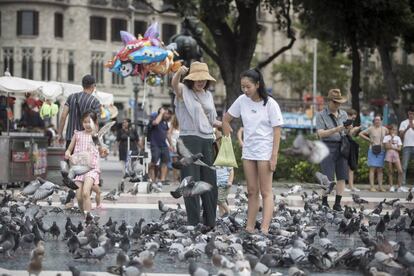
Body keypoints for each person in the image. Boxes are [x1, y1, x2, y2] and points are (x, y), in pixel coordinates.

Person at [223, 68, 283, 234]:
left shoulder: (270, 103)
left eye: (248, 86)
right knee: (251, 191)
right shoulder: (242, 100)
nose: (245, 90)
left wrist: (274, 156)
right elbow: (226, 119)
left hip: (265, 151)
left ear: (257, 84)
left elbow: (277, 131)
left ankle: (264, 228)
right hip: (248, 152)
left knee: (266, 191)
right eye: (243, 87)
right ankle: (249, 227)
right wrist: (227, 138)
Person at [171, 61, 221, 229]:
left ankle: (210, 222)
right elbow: (174, 84)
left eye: (204, 79)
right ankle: (193, 222)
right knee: (190, 182)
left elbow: (213, 120)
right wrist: (179, 72)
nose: (201, 82)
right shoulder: (183, 91)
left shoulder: (208, 95)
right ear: (191, 79)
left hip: (207, 139)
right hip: (189, 140)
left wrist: (227, 124)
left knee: (209, 183)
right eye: (198, 79)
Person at [65, 111, 107, 216]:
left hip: (92, 168)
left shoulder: (96, 137)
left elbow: (102, 152)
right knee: (78, 197)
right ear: (82, 122)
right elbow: (69, 150)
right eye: (85, 122)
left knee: (85, 193)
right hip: (79, 168)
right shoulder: (77, 135)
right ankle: (84, 214)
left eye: (90, 122)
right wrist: (68, 154)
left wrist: (104, 152)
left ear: (95, 122)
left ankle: (88, 218)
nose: (87, 124)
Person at [316, 89, 351, 211]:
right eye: (335, 102)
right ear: (329, 101)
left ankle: (337, 204)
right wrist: (338, 128)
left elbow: (346, 132)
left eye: (339, 102)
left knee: (342, 176)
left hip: (342, 146)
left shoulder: (344, 114)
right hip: (326, 146)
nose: (338, 105)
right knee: (327, 177)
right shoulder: (320, 115)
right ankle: (324, 202)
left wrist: (349, 129)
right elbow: (320, 134)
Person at [57, 75, 101, 150]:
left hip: (70, 138)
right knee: (85, 161)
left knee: (70, 160)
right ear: (93, 86)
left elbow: (63, 116)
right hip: (87, 140)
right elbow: (96, 123)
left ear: (82, 85)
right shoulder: (95, 101)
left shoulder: (71, 97)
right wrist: (96, 141)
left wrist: (60, 134)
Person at [359, 115, 388, 192]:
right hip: (372, 150)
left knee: (380, 169)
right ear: (374, 121)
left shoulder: (385, 129)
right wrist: (369, 139)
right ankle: (372, 187)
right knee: (372, 169)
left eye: (378, 120)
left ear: (381, 120)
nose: (377, 121)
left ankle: (380, 187)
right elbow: (360, 134)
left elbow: (388, 137)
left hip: (382, 150)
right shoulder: (371, 128)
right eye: (376, 120)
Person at [148, 107, 173, 187]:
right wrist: (161, 113)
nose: (167, 115)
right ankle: (151, 178)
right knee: (154, 161)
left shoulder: (165, 122)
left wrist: (171, 144)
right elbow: (155, 123)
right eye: (166, 113)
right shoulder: (154, 119)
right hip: (155, 144)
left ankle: (162, 179)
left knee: (165, 162)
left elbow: (167, 134)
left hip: (164, 145)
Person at [215, 131, 234, 217]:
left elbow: (231, 171)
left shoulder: (227, 159)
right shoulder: (216, 159)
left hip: (224, 183)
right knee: (219, 201)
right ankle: (221, 215)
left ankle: (229, 213)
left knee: (219, 199)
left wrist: (230, 181)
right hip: (218, 183)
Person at [344, 109, 361, 192]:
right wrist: (353, 130)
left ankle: (351, 186)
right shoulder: (344, 121)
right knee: (344, 165)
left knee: (351, 165)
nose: (353, 119)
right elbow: (346, 133)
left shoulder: (350, 122)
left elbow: (350, 134)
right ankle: (343, 185)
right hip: (344, 144)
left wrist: (354, 130)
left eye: (354, 118)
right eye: (352, 117)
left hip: (349, 144)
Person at [399, 106, 414, 192]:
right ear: (408, 114)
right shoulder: (403, 123)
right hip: (406, 147)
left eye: (412, 113)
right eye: (409, 113)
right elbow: (401, 136)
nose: (411, 115)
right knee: (404, 167)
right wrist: (407, 128)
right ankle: (403, 185)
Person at [383, 125, 403, 192]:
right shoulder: (386, 137)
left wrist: (393, 147)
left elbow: (399, 148)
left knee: (400, 171)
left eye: (395, 130)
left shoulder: (398, 138)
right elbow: (386, 147)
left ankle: (399, 187)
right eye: (392, 129)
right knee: (390, 171)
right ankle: (391, 186)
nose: (394, 131)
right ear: (390, 130)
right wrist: (391, 139)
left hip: (396, 154)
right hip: (389, 154)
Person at [168, 115, 180, 183]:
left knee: (182, 163)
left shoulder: (183, 126)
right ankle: (175, 179)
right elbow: (168, 135)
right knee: (175, 164)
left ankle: (179, 177)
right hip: (174, 147)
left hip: (181, 147)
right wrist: (171, 144)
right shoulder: (173, 126)